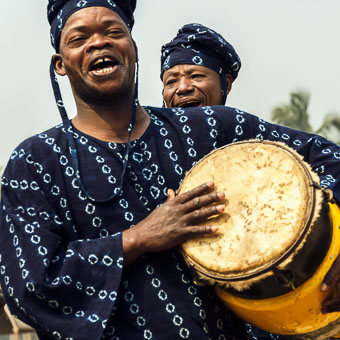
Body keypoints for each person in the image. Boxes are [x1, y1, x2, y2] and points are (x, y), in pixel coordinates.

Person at [0, 1, 340, 339]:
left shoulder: (211, 128)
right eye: (78, 39)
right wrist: (137, 239)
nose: (99, 42)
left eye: (113, 32)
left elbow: (328, 156)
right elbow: (30, 285)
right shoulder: (34, 162)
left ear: (133, 49)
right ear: (60, 64)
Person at [160, 23, 241, 108]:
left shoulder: (250, 121)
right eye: (171, 82)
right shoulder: (148, 120)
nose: (182, 88)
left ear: (226, 84)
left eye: (195, 76)